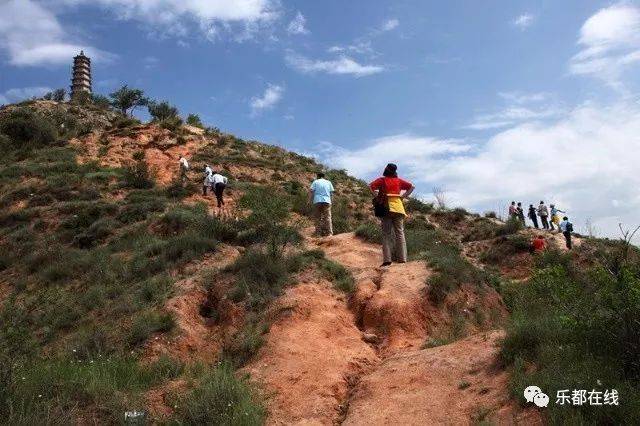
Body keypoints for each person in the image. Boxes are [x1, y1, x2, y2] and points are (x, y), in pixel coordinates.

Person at [369, 163, 415, 267]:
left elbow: (370, 186)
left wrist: (376, 195)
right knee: (400, 233)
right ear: (395, 172)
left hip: (386, 207)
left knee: (386, 234)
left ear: (386, 170)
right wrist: (403, 197)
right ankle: (402, 259)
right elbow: (412, 186)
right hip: (398, 207)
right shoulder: (398, 181)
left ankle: (387, 260)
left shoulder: (382, 180)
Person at [309, 172, 335, 237]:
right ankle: (329, 233)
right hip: (327, 201)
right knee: (328, 217)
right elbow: (331, 193)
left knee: (317, 217)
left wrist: (309, 200)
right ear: (324, 176)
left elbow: (311, 191)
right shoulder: (328, 182)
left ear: (318, 176)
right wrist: (331, 201)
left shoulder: (315, 182)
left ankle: (318, 234)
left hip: (317, 201)